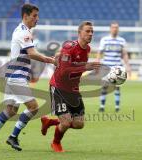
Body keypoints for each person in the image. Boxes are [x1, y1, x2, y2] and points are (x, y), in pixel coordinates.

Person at [0, 4, 55, 151]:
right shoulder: (24, 33)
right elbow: (32, 53)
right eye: (34, 16)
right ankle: (13, 137)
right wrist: (50, 60)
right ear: (25, 16)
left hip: (13, 75)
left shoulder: (22, 31)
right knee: (33, 108)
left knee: (10, 110)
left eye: (37, 16)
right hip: (17, 77)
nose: (37, 19)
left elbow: (27, 54)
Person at [40, 21, 101, 152]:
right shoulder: (69, 47)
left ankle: (49, 122)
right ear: (79, 33)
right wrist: (86, 67)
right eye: (87, 31)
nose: (90, 34)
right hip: (59, 87)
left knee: (79, 124)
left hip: (73, 90)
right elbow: (63, 71)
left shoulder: (87, 49)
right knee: (66, 122)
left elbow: (77, 67)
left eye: (92, 31)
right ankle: (56, 143)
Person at [96, 21, 131, 112]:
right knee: (104, 86)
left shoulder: (122, 40)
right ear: (110, 29)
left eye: (116, 27)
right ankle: (102, 106)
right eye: (113, 27)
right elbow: (99, 53)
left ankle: (117, 107)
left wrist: (128, 65)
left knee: (117, 87)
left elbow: (125, 54)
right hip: (106, 66)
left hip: (118, 67)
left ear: (118, 29)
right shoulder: (104, 40)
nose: (115, 29)